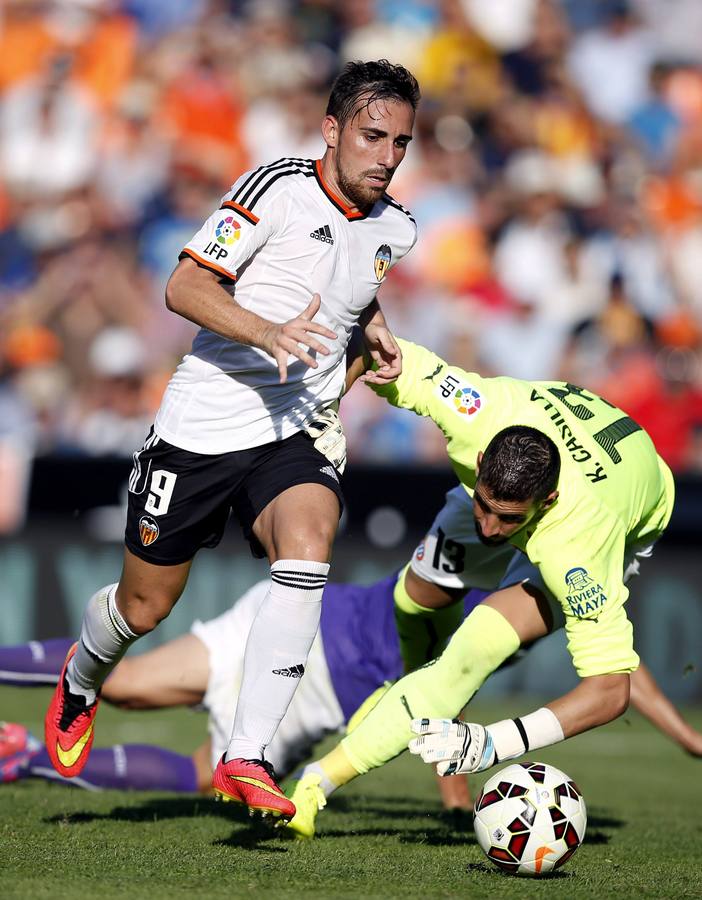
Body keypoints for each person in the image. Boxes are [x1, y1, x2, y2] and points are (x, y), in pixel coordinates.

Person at [44, 59, 421, 820]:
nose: (386, 156)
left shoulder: (398, 227)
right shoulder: (274, 186)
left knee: (310, 541)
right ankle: (82, 677)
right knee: (143, 608)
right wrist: (266, 330)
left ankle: (244, 754)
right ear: (332, 130)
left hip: (292, 431)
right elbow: (183, 287)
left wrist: (373, 330)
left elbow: (352, 280)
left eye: (401, 143)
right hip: (202, 428)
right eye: (372, 136)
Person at [282, 336, 676, 837]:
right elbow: (382, 350)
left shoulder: (578, 549)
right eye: (483, 505)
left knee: (474, 648)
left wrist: (495, 742)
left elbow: (609, 691)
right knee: (414, 598)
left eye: (506, 518)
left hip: (625, 515)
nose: (489, 530)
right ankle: (409, 690)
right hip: (551, 470)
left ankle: (315, 782)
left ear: (547, 499)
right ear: (484, 455)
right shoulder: (475, 412)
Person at [3, 576, 698, 804]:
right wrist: (456, 794)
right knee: (203, 773)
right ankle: (29, 756)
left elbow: (623, 669)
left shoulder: (501, 545)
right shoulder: (542, 592)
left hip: (298, 612)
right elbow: (438, 681)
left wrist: (688, 739)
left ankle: (27, 754)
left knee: (122, 687)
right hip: (325, 672)